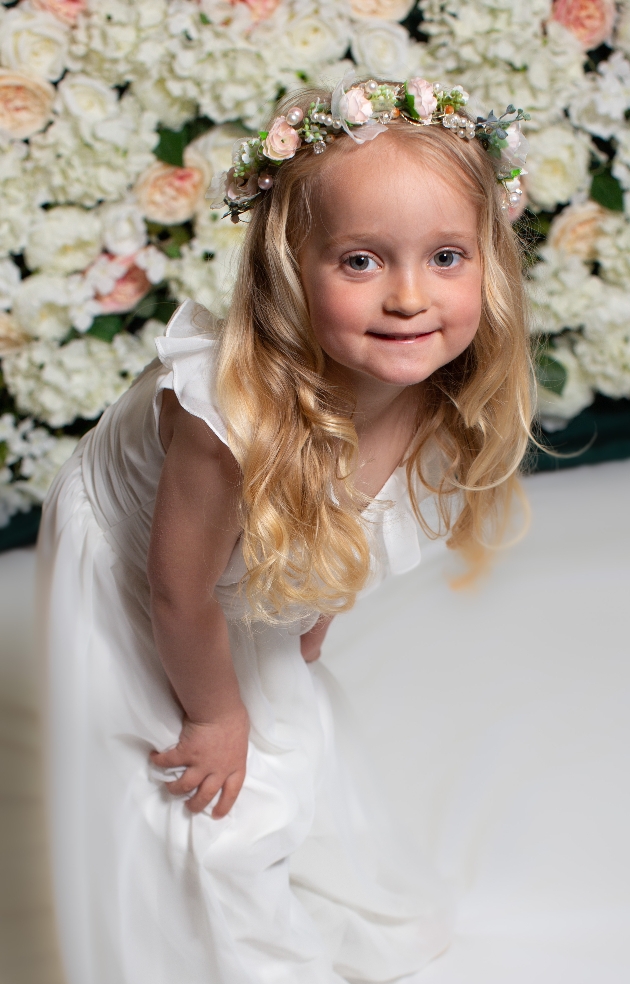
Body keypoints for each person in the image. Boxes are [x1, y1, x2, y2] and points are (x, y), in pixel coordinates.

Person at [38, 76, 533, 984]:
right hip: (141, 561)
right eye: (361, 261)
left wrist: (311, 603)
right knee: (201, 787)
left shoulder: (427, 386)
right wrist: (217, 711)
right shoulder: (231, 417)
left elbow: (348, 516)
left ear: (490, 263)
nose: (410, 298)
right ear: (289, 269)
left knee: (290, 732)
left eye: (448, 258)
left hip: (227, 558)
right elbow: (179, 591)